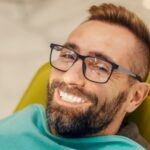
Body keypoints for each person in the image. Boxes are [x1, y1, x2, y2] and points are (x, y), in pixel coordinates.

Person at [0, 3, 150, 150]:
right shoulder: (24, 122)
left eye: (100, 67)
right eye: (67, 55)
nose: (69, 78)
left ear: (135, 97)